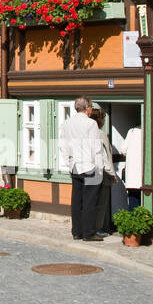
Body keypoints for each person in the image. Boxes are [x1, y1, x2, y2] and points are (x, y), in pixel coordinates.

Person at [57, 98, 111, 241]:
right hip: (89, 165)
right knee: (89, 201)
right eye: (91, 107)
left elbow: (62, 146)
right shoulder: (91, 123)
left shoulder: (67, 123)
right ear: (86, 107)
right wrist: (99, 168)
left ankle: (76, 232)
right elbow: (96, 147)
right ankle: (88, 233)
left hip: (75, 165)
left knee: (77, 201)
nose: (91, 110)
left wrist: (68, 162)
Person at [91, 106, 115, 237]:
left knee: (91, 202)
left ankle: (90, 227)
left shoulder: (87, 133)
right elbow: (106, 156)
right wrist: (112, 174)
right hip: (102, 173)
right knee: (101, 203)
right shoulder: (100, 134)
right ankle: (98, 229)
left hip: (89, 173)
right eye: (103, 118)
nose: (105, 121)